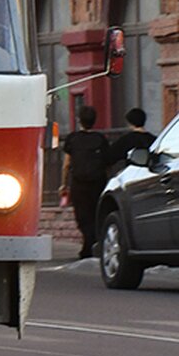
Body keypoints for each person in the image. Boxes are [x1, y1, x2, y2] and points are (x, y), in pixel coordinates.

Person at [60, 105, 111, 260]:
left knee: (82, 216)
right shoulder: (100, 139)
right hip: (98, 182)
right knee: (96, 213)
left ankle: (88, 246)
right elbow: (106, 162)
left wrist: (63, 184)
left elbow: (66, 164)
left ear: (79, 120)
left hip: (79, 183)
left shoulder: (73, 139)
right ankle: (93, 243)